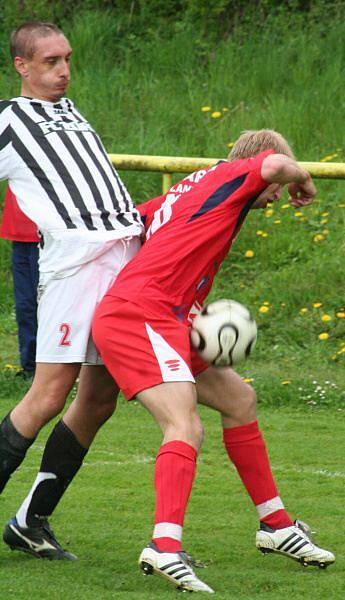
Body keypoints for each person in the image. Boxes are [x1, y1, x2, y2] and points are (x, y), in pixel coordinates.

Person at [92, 130, 335, 593]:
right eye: (278, 191)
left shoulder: (192, 188)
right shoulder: (236, 174)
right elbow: (274, 168)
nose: (280, 196)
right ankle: (164, 546)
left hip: (163, 315)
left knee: (240, 399)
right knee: (185, 426)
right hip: (139, 314)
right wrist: (303, 177)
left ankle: (276, 526)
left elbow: (133, 224)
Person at [0, 21, 143, 559]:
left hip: (123, 261)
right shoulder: (9, 119)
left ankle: (29, 521)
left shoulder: (70, 111)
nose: (63, 70)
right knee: (48, 393)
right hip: (74, 269)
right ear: (22, 65)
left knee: (100, 398)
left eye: (67, 60)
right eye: (50, 62)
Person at [0, 185, 39, 378]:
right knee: (25, 304)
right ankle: (30, 365)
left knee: (46, 304)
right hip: (20, 234)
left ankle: (51, 365)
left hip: (45, 233)